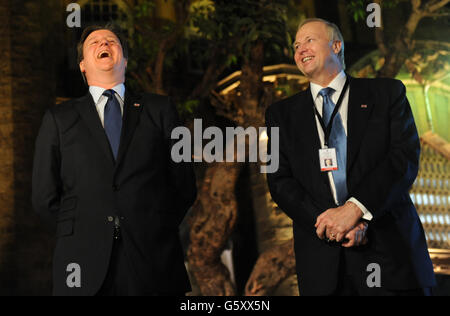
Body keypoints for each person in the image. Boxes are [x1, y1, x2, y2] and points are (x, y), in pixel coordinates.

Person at [265, 18, 435, 296]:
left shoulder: (387, 93)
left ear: (336, 45)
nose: (300, 49)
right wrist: (330, 225)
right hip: (324, 267)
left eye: (309, 40)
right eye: (296, 45)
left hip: (390, 256)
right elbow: (279, 181)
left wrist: (356, 210)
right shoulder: (279, 115)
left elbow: (402, 159)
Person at [32, 24, 197, 296]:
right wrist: (83, 230)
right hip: (83, 263)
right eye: (94, 42)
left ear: (126, 59)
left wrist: (153, 223)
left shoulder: (161, 109)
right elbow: (43, 196)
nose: (104, 44)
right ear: (83, 64)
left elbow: (184, 184)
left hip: (153, 259)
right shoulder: (58, 119)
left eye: (112, 41)